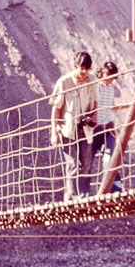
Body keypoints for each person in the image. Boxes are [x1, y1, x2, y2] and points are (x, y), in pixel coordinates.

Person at [49, 51, 98, 200]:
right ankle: (77, 198)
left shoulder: (92, 80)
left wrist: (94, 117)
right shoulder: (64, 82)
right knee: (72, 164)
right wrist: (54, 132)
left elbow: (96, 101)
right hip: (68, 129)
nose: (84, 73)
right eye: (82, 69)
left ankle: (84, 194)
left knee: (87, 164)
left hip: (85, 128)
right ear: (75, 66)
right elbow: (56, 108)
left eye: (87, 69)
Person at [92, 61, 128, 193]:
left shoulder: (111, 88)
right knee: (86, 164)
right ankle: (78, 194)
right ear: (101, 73)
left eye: (113, 78)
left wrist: (131, 105)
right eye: (108, 76)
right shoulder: (93, 86)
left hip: (107, 128)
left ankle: (114, 190)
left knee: (110, 159)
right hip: (92, 130)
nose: (110, 80)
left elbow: (111, 107)